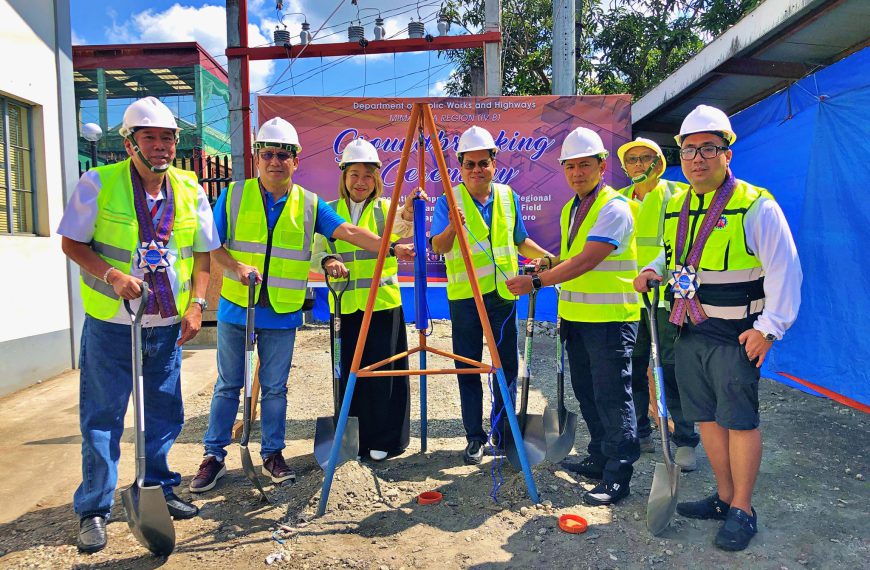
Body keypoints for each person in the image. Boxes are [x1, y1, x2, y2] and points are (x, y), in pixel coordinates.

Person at [190, 118, 414, 494]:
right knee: (229, 385)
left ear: (297, 160)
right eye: (269, 154)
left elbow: (349, 233)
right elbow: (211, 243)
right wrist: (234, 266)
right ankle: (213, 456)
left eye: (284, 154)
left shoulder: (309, 204)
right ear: (259, 157)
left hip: (282, 309)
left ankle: (273, 454)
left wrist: (391, 248)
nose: (276, 160)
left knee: (276, 388)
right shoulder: (232, 195)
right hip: (236, 307)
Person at [634, 104, 801, 551]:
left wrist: (768, 329)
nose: (697, 158)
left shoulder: (755, 205)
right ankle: (724, 498)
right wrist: (652, 271)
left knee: (739, 420)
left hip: (736, 333)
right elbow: (673, 258)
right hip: (689, 331)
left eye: (709, 148)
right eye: (689, 150)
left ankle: (743, 509)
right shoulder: (676, 205)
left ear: (727, 153)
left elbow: (786, 270)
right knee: (706, 418)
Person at [58, 96, 220, 553]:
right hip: (113, 322)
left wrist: (197, 306)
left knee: (165, 411)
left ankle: (159, 488)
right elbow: (72, 243)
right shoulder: (98, 183)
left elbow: (203, 254)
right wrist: (110, 275)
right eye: (149, 137)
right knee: (104, 416)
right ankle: (94, 507)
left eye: (168, 138)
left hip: (167, 324)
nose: (161, 146)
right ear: (129, 143)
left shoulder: (191, 189)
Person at [506, 127, 639, 506]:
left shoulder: (614, 207)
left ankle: (617, 476)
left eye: (585, 165)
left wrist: (538, 281)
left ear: (601, 165)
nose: (577, 172)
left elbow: (589, 259)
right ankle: (599, 456)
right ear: (563, 169)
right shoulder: (572, 207)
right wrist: (549, 262)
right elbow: (571, 256)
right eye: (571, 166)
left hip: (611, 320)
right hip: (577, 318)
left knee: (613, 396)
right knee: (587, 392)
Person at [430, 125, 553, 465]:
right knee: (468, 365)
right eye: (470, 164)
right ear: (460, 166)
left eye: (483, 163)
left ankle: (503, 432)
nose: (477, 170)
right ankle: (474, 436)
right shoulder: (447, 200)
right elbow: (438, 246)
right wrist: (454, 224)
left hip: (503, 295)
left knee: (506, 366)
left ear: (493, 163)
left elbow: (519, 240)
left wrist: (549, 260)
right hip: (466, 297)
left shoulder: (507, 196)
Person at [312, 138, 420, 461]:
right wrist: (328, 261)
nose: (361, 182)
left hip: (383, 306)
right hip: (345, 307)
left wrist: (408, 210)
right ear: (343, 175)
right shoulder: (330, 211)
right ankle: (354, 438)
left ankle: (387, 440)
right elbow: (318, 249)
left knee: (385, 374)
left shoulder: (384, 209)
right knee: (349, 374)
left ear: (377, 179)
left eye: (368, 176)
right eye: (354, 174)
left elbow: (400, 228)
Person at [616, 137, 700, 470]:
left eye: (644, 158)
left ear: (658, 162)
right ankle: (639, 430)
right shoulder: (617, 201)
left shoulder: (678, 196)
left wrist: (665, 281)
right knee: (632, 367)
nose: (638, 164)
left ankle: (684, 440)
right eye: (632, 159)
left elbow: (686, 247)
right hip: (625, 299)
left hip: (665, 300)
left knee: (670, 367)